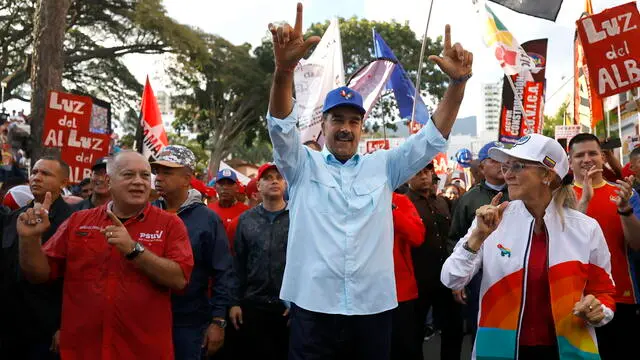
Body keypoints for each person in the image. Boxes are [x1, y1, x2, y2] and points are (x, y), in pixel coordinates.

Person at [267, 3, 472, 358]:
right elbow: (281, 126)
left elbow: (433, 136)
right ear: (324, 125)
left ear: (361, 127)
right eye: (337, 120)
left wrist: (457, 84)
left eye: (353, 121)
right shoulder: (301, 164)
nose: (345, 128)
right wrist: (284, 70)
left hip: (372, 310)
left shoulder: (385, 166)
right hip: (313, 308)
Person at [441, 134, 616, 360]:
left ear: (547, 174)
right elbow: (451, 279)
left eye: (518, 165)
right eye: (506, 166)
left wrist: (598, 311)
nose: (508, 174)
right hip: (499, 351)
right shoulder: (492, 221)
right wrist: (477, 238)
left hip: (568, 351)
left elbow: (604, 292)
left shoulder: (586, 228)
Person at [16, 151, 194, 359]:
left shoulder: (170, 224)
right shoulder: (78, 222)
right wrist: (29, 240)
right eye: (129, 175)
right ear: (109, 181)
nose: (139, 182)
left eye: (145, 176)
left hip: (143, 351)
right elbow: (39, 274)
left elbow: (180, 279)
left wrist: (134, 250)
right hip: (83, 350)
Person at [151, 145, 234, 360]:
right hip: (146, 319)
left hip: (189, 323)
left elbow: (223, 272)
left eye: (167, 172)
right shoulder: (145, 213)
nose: (158, 177)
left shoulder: (207, 220)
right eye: (157, 171)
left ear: (188, 178)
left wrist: (217, 321)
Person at [568, 133, 640, 360]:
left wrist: (624, 209)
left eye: (593, 153)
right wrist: (583, 203)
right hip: (574, 300)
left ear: (603, 157)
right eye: (580, 155)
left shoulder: (624, 193)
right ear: (570, 161)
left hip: (622, 297)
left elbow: (636, 244)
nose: (587, 159)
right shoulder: (559, 198)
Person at [0, 156, 74, 360]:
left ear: (64, 183)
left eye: (45, 173)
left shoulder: (74, 221)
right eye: (34, 172)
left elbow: (76, 281)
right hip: (9, 325)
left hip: (45, 330)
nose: (36, 178)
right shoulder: (15, 217)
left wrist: (63, 325)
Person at [447, 141, 509, 344]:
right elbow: (454, 238)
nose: (501, 164)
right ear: (482, 167)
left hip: (513, 272)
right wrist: (459, 282)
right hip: (478, 275)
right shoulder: (468, 199)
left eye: (504, 159)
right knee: (481, 328)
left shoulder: (520, 193)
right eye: (494, 160)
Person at [228, 163, 290, 359]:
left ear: (285, 184)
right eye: (268, 177)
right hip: (253, 306)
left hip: (287, 308)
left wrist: (299, 304)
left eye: (278, 177)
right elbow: (238, 263)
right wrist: (235, 302)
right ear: (258, 186)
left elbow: (306, 264)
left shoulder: (298, 217)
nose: (274, 181)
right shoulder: (245, 220)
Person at [406, 163, 463, 360]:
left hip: (445, 278)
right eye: (418, 172)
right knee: (413, 335)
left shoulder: (442, 202)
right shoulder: (404, 204)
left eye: (427, 172)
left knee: (453, 330)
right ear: (407, 177)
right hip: (417, 279)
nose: (424, 177)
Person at [390, 192, 425, 360]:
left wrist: (392, 210)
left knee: (404, 348)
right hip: (364, 294)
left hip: (400, 293)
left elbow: (417, 237)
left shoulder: (399, 201)